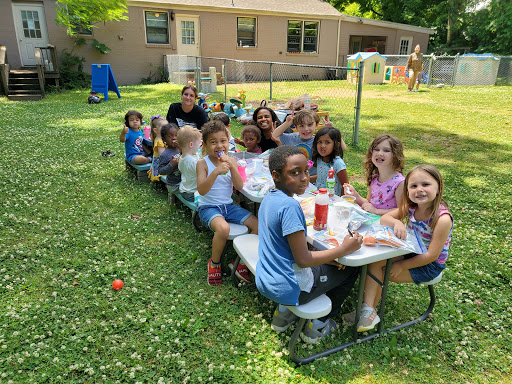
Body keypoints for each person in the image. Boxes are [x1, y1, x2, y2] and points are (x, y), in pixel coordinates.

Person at [256, 145, 362, 344]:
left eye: (306, 171)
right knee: (350, 269)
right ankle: (318, 325)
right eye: (294, 173)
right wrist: (344, 250)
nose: (304, 178)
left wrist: (331, 259)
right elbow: (303, 260)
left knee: (330, 262)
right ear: (276, 175)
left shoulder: (270, 198)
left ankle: (283, 315)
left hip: (266, 278)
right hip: (288, 287)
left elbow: (288, 250)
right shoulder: (290, 206)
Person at [345, 164, 453, 332]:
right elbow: (384, 219)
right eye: (413, 186)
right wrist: (396, 222)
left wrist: (402, 265)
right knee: (375, 260)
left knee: (380, 270)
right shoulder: (411, 207)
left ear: (438, 187)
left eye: (426, 184)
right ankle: (367, 311)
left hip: (428, 265)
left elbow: (432, 255)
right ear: (407, 190)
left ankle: (367, 312)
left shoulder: (442, 218)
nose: (419, 190)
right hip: (409, 252)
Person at [196, 120, 258, 286]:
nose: (219, 146)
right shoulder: (203, 164)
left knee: (258, 225)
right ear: (205, 145)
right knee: (223, 228)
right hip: (208, 207)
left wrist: (232, 167)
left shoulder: (232, 161)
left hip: (229, 207)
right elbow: (202, 190)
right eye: (213, 142)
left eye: (223, 141)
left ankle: (242, 263)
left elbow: (238, 186)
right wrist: (215, 172)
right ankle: (214, 263)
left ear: (228, 142)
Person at [344, 134, 405, 215]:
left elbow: (402, 211)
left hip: (388, 225)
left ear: (396, 155)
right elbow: (368, 204)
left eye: (386, 150)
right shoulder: (375, 178)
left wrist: (376, 211)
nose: (380, 153)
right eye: (376, 149)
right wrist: (355, 195)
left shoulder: (399, 182)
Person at [310, 126, 348, 195]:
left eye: (327, 142)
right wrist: (307, 179)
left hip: (334, 200)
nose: (322, 146)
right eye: (319, 142)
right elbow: (321, 177)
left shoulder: (338, 163)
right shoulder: (320, 159)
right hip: (319, 197)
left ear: (337, 145)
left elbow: (345, 185)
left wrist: (342, 201)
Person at [177, 125, 202, 202]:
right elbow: (203, 173)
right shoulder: (191, 162)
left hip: (185, 189)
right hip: (192, 193)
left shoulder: (182, 158)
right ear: (191, 144)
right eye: (199, 144)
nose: (200, 146)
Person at [158, 123, 181, 192]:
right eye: (170, 136)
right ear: (163, 139)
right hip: (174, 185)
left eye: (176, 135)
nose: (174, 138)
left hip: (184, 180)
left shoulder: (181, 148)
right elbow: (160, 171)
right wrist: (171, 164)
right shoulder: (165, 155)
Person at [148, 115, 168, 182]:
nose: (167, 129)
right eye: (164, 128)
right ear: (155, 130)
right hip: (160, 164)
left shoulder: (162, 139)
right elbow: (163, 155)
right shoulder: (159, 141)